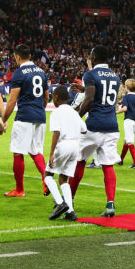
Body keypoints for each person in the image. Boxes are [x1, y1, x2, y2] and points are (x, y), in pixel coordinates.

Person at [73, 45, 123, 217]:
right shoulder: (116, 76)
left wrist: (77, 117)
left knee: (79, 161)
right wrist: (85, 89)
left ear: (94, 57)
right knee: (108, 165)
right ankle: (110, 204)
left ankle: (68, 201)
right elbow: (102, 95)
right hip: (111, 125)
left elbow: (90, 99)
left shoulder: (90, 74)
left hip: (94, 126)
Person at [1, 45, 50, 198]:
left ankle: (19, 189)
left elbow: (12, 101)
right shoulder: (41, 72)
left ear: (18, 57)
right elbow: (47, 97)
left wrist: (3, 121)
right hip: (40, 117)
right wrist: (39, 110)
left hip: (24, 116)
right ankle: (47, 180)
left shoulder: (19, 73)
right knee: (36, 151)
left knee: (18, 152)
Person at [47, 85, 84, 221]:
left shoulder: (56, 113)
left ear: (56, 97)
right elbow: (84, 129)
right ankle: (71, 211)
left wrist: (51, 153)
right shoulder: (74, 112)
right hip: (76, 147)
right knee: (64, 179)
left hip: (64, 145)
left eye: (53, 97)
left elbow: (56, 132)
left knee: (48, 175)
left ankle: (59, 203)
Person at [119, 79, 135, 169]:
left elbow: (125, 109)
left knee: (130, 141)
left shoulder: (126, 97)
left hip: (129, 121)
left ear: (126, 87)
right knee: (126, 140)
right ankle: (120, 160)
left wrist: (116, 112)